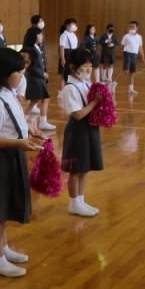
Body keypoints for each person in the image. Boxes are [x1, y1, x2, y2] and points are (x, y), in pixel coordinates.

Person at [0, 48, 43, 277]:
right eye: (19, 73)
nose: (22, 77)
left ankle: (2, 248)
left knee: (3, 209)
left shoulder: (8, 93)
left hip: (11, 156)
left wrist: (29, 129)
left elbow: (12, 121)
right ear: (3, 73)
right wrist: (18, 142)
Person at [58, 48, 103, 217]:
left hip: (89, 129)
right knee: (75, 170)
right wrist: (95, 102)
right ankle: (73, 203)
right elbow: (77, 115)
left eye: (90, 65)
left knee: (84, 168)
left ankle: (81, 201)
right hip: (77, 131)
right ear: (72, 67)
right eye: (85, 66)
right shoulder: (70, 88)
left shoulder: (85, 83)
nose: (89, 69)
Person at [22, 23, 55, 131]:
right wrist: (42, 74)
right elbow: (30, 67)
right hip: (34, 78)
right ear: (34, 36)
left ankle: (23, 119)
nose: (42, 36)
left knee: (34, 100)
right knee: (45, 98)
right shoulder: (30, 49)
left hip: (37, 78)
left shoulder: (36, 47)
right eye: (40, 34)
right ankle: (43, 122)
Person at [119, 21, 145, 95]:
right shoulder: (126, 36)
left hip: (134, 55)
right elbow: (122, 46)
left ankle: (131, 89)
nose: (131, 27)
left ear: (137, 28)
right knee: (125, 71)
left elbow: (140, 47)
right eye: (130, 26)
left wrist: (142, 57)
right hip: (127, 53)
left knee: (132, 72)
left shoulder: (139, 37)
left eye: (133, 26)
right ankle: (114, 84)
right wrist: (123, 55)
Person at [57, 18, 79, 90]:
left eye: (75, 25)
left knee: (71, 73)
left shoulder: (73, 34)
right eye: (73, 24)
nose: (75, 26)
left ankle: (69, 89)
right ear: (67, 25)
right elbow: (62, 47)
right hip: (67, 55)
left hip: (73, 54)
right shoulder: (64, 35)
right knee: (64, 74)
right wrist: (63, 59)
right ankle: (61, 91)